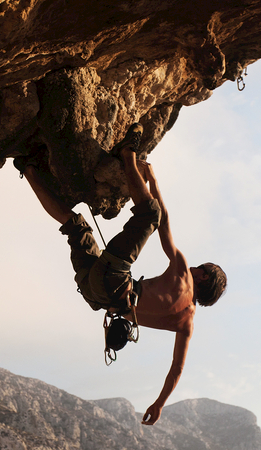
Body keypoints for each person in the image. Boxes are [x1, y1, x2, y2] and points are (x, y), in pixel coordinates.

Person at [17, 125, 227, 426]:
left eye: (202, 268)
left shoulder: (184, 275)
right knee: (75, 226)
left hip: (115, 281)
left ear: (204, 278)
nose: (196, 267)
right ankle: (29, 169)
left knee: (149, 215)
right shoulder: (186, 324)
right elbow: (176, 369)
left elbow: (163, 222)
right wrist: (159, 404)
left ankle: (127, 152)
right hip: (96, 297)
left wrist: (152, 180)